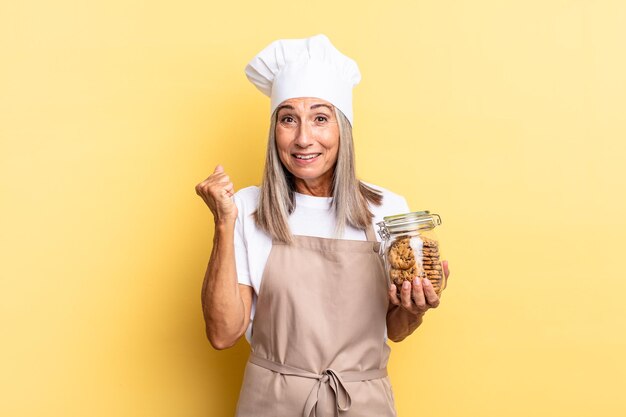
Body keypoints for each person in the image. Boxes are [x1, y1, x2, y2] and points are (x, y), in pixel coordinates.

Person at [195, 34, 450, 417]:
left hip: (362, 403)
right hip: (272, 404)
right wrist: (223, 224)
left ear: (342, 129)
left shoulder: (387, 210)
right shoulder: (248, 207)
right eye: (288, 119)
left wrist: (415, 308)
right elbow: (223, 333)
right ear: (274, 131)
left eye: (320, 118)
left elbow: (395, 329)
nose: (303, 138)